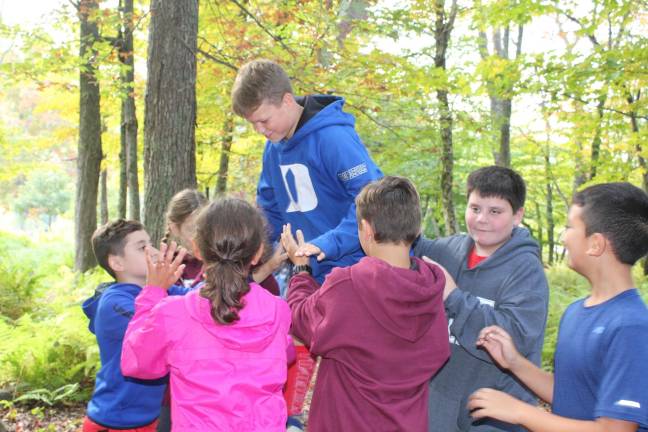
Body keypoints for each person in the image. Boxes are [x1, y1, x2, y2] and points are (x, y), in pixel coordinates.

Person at [468, 182, 648, 432]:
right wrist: (514, 362)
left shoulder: (632, 327)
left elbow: (614, 429)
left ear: (596, 244)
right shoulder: (576, 311)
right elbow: (570, 396)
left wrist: (520, 412)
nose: (563, 237)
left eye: (569, 227)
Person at [281, 176, 451, 431]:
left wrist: (301, 270)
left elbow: (301, 318)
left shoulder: (348, 285)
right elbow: (438, 353)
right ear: (416, 230)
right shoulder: (430, 288)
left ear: (366, 230)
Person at [121, 198, 293, 431]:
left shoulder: (173, 313)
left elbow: (136, 363)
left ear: (197, 249)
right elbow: (286, 354)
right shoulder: (278, 310)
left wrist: (152, 293)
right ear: (258, 252)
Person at [413, 165, 549, 431]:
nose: (482, 219)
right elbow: (399, 243)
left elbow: (514, 342)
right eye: (475, 208)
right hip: (437, 407)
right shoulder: (447, 250)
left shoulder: (526, 271)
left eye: (495, 211)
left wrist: (453, 296)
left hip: (495, 416)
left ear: (517, 215)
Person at [231, 58, 383, 283]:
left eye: (263, 120)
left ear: (287, 101)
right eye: (253, 123)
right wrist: (245, 251)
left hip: (354, 270)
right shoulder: (273, 150)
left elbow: (374, 203)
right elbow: (269, 213)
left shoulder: (333, 139)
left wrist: (328, 243)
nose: (259, 130)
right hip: (307, 275)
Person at [82, 220, 185, 432]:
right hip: (113, 421)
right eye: (142, 247)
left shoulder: (161, 290)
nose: (155, 252)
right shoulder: (113, 303)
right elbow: (152, 335)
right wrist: (157, 290)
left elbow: (200, 297)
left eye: (151, 244)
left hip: (147, 418)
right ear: (117, 263)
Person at [163, 188, 283, 294]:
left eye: (202, 228)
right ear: (174, 228)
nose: (198, 236)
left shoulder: (231, 251)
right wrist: (268, 268)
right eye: (190, 229)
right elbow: (196, 301)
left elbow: (272, 293)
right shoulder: (168, 265)